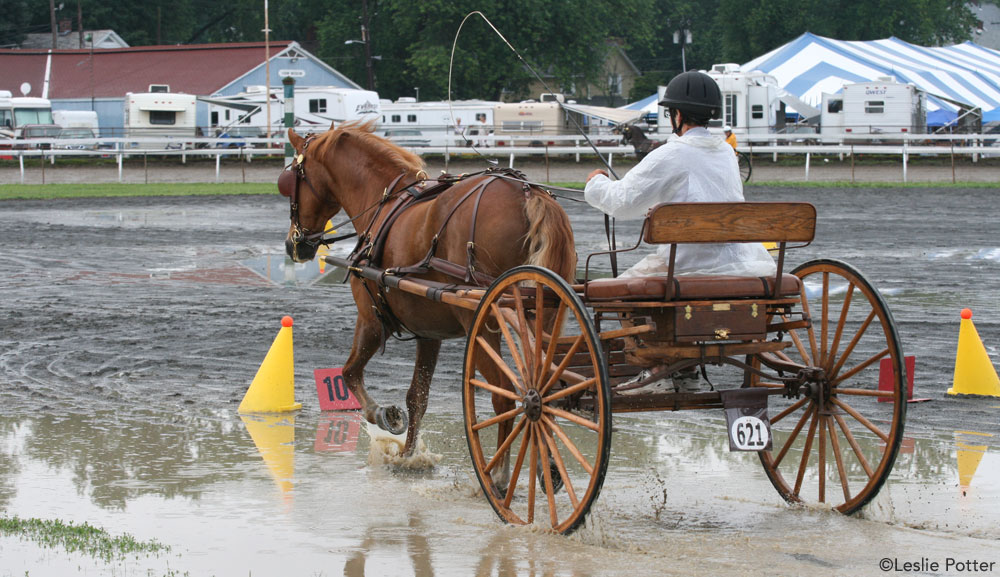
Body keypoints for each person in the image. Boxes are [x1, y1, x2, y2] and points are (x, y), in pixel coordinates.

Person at [583, 70, 776, 393]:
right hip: (743, 260)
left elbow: (622, 201)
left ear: (678, 115)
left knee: (614, 290)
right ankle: (684, 366)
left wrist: (595, 183)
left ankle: (658, 365)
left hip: (691, 263)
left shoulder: (672, 153)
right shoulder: (727, 152)